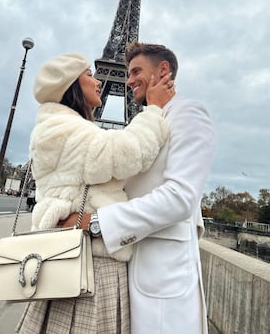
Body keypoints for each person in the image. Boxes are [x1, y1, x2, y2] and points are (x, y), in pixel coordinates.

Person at [16, 52, 174, 334]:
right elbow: (127, 152)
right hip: (86, 262)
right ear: (71, 85)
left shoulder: (62, 127)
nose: (98, 80)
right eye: (89, 74)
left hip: (79, 255)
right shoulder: (62, 129)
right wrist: (154, 109)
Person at [66, 41, 216, 334]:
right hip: (130, 271)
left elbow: (181, 198)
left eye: (136, 71)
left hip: (162, 279)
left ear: (163, 70)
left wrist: (94, 223)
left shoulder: (188, 114)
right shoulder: (148, 121)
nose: (129, 79)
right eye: (127, 72)